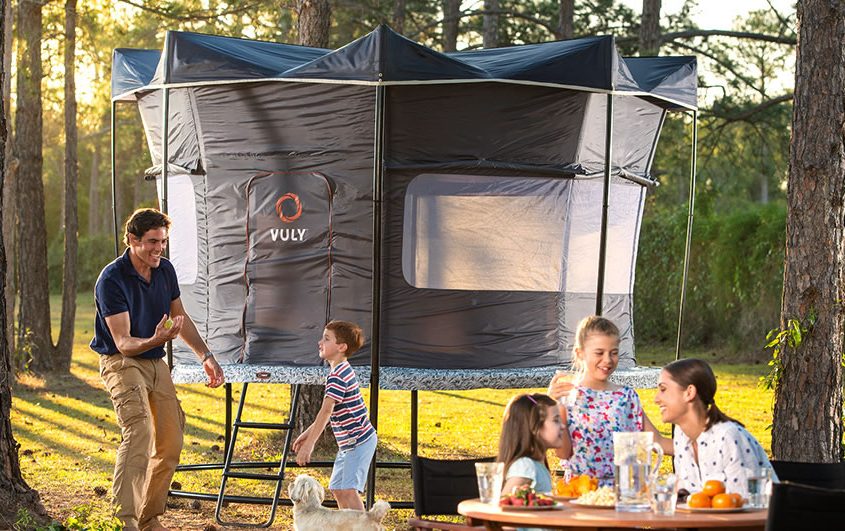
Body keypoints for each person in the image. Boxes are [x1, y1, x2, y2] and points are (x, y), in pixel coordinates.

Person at [91, 208, 225, 531]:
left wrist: (205, 355)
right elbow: (123, 342)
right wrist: (156, 337)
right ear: (132, 240)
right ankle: (125, 522)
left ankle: (149, 517)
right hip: (122, 361)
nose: (158, 248)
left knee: (171, 440)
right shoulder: (112, 279)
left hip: (154, 360)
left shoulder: (165, 271)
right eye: (152, 242)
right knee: (139, 430)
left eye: (162, 241)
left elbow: (180, 317)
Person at [547, 316, 670, 486]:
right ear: (580, 353)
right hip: (582, 492)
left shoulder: (626, 396)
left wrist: (704, 444)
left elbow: (657, 441)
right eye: (599, 353)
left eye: (614, 352)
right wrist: (556, 408)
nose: (608, 360)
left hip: (625, 493)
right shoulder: (567, 397)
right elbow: (563, 453)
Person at [655, 358, 776, 496]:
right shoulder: (681, 436)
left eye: (663, 389)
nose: (656, 399)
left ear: (689, 392)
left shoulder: (728, 437)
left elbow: (746, 505)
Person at [292, 320, 377, 511]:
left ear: (342, 347)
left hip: (359, 442)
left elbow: (326, 411)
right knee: (338, 489)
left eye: (326, 339)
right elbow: (328, 414)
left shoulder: (339, 375)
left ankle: (363, 526)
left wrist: (310, 445)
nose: (320, 342)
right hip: (348, 444)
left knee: (347, 489)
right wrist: (307, 434)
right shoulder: (338, 371)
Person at [498, 393, 565, 496]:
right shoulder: (526, 466)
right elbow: (504, 504)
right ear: (535, 427)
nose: (563, 426)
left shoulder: (537, 465)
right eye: (556, 420)